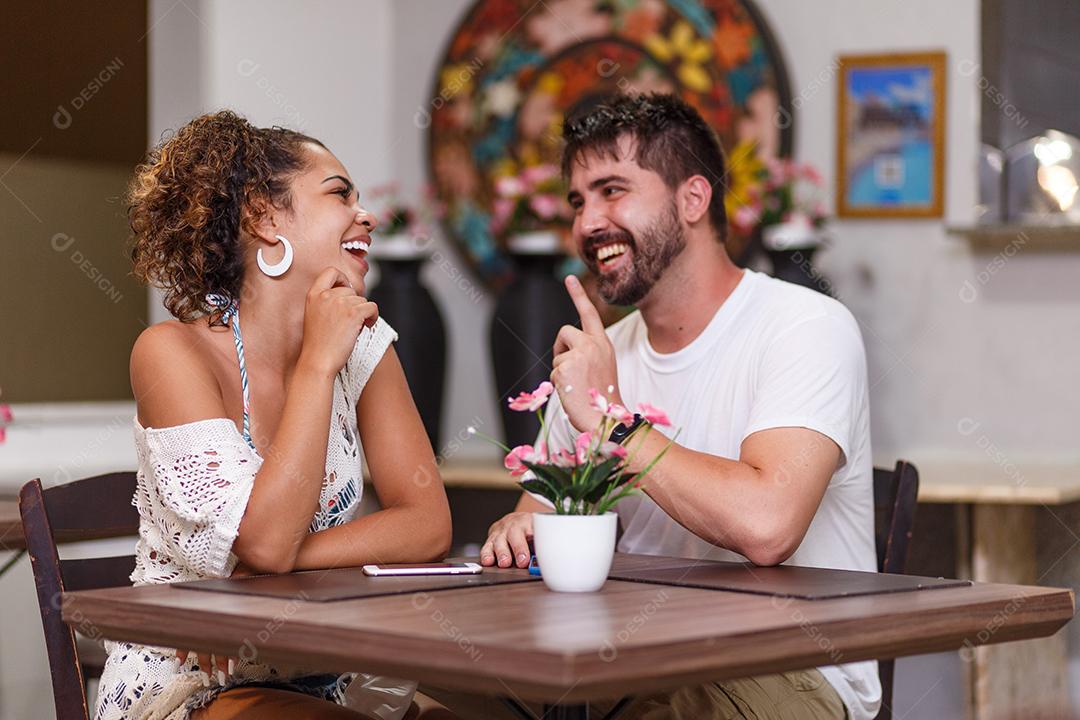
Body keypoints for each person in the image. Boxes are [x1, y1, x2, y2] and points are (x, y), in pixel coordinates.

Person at [475, 93, 881, 719]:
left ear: (693, 199)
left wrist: (610, 420)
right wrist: (517, 534)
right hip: (627, 662)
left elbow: (768, 526)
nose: (587, 223)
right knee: (428, 692)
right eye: (579, 201)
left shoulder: (805, 327)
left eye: (612, 191)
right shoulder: (600, 355)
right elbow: (536, 518)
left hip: (789, 668)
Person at [95, 111, 453, 720]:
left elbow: (427, 522)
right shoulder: (171, 353)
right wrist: (316, 364)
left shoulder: (364, 344)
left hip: (333, 671)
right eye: (340, 194)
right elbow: (262, 538)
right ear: (265, 218)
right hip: (193, 681)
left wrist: (274, 561)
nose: (363, 215)